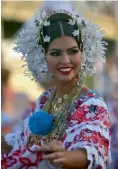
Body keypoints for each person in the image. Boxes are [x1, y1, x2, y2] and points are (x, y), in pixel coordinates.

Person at [1, 3, 111, 169]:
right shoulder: (46, 99)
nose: (65, 60)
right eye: (55, 53)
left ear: (84, 52)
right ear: (42, 57)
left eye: (73, 51)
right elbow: (24, 141)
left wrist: (65, 157)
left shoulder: (91, 103)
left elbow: (92, 148)